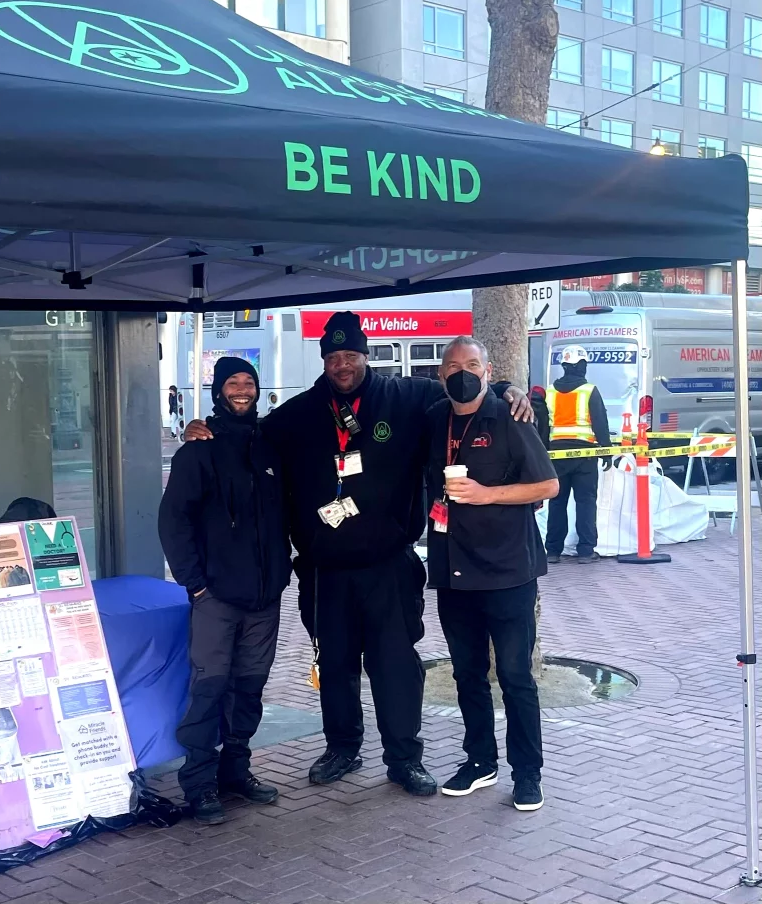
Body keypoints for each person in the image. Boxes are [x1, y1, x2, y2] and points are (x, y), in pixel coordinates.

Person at [184, 311, 533, 798]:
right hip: (325, 570)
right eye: (333, 357)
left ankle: (405, 758)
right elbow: (246, 435)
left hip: (388, 565)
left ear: (366, 356)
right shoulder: (299, 414)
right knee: (337, 665)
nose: (342, 364)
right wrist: (202, 428)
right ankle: (342, 747)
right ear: (323, 360)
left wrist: (511, 390)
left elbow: (466, 391)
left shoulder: (407, 396)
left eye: (351, 355)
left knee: (394, 664)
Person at [425, 336, 559, 812]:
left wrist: (486, 494)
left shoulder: (510, 417)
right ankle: (480, 761)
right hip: (452, 572)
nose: (463, 372)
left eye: (473, 364)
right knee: (467, 674)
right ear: (441, 375)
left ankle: (528, 773)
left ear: (488, 369)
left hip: (508, 573)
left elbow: (547, 484)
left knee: (516, 675)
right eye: (453, 365)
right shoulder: (432, 418)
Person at [158, 357, 292, 825]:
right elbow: (173, 522)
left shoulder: (272, 446)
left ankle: (236, 770)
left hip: (264, 595)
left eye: (249, 382)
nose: (242, 389)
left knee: (249, 686)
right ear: (218, 391)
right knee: (209, 687)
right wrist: (193, 584)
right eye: (233, 382)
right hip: (214, 595)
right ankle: (198, 782)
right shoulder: (197, 451)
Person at [540, 345, 612, 564]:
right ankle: (586, 550)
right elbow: (600, 423)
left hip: (557, 455)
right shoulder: (589, 390)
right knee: (586, 502)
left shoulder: (550, 391)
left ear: (564, 366)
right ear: (582, 366)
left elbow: (543, 427)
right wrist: (607, 451)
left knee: (557, 503)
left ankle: (552, 551)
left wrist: (543, 454)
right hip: (585, 455)